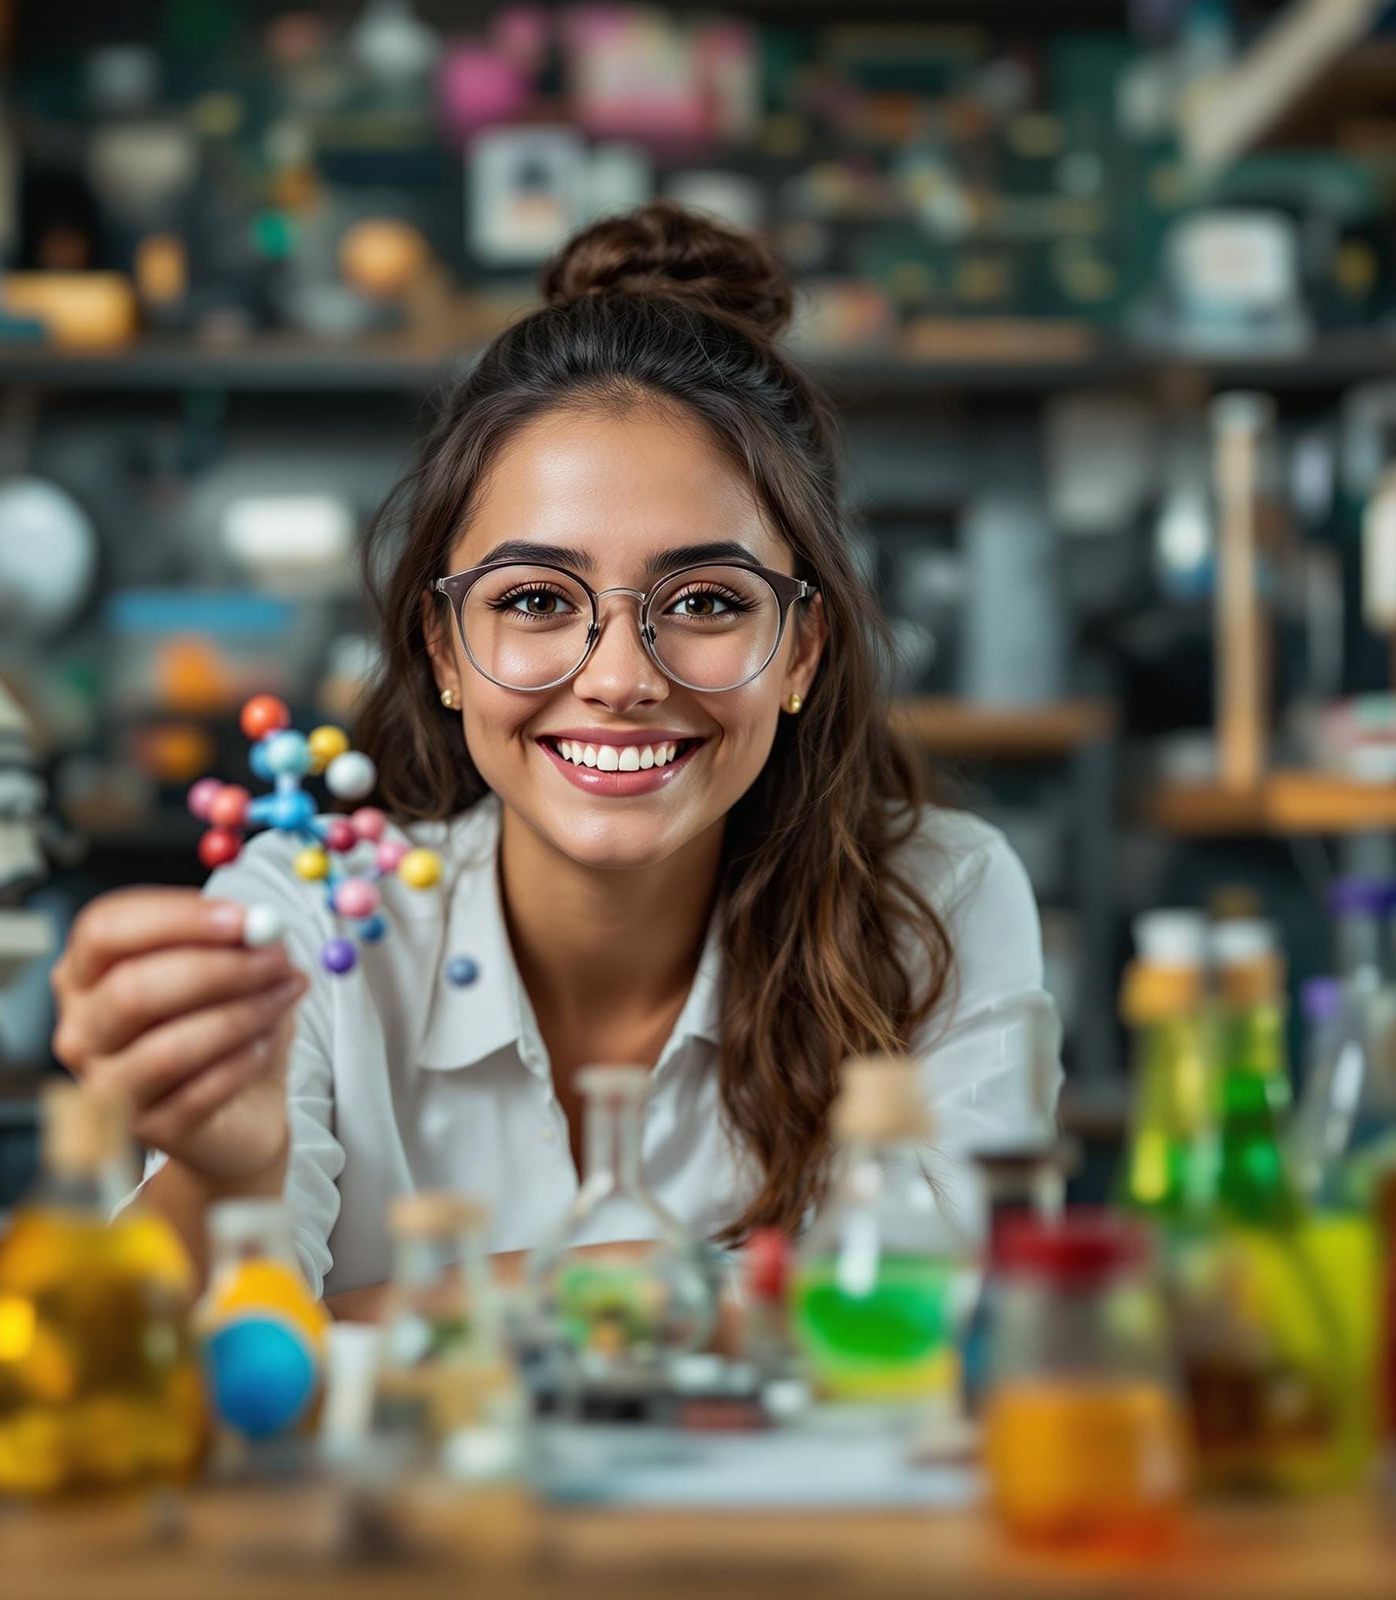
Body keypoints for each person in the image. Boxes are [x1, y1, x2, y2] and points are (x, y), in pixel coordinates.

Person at [51, 202, 1060, 1315]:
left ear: (802, 651)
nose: (620, 677)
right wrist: (222, 1175)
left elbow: (970, 1316)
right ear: (445, 647)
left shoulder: (934, 901)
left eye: (706, 601)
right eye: (535, 599)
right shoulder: (307, 914)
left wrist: (387, 1310)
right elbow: (191, 1350)